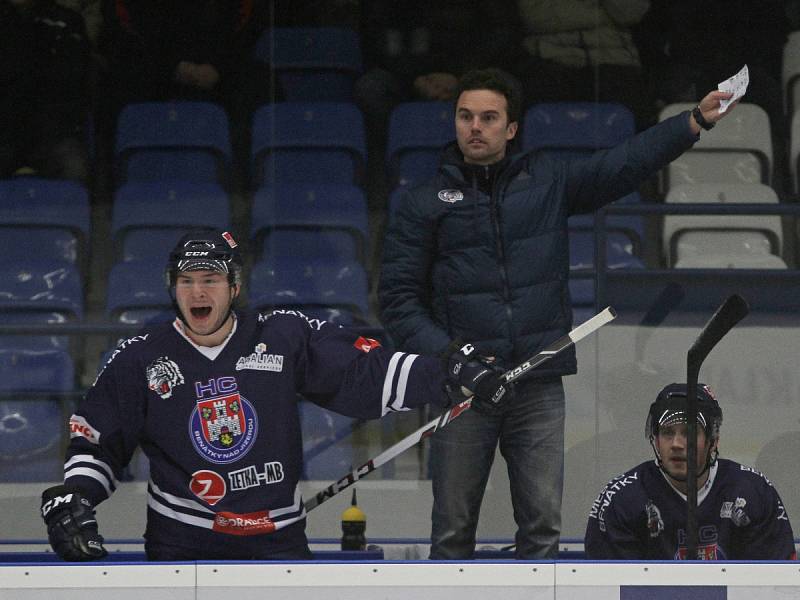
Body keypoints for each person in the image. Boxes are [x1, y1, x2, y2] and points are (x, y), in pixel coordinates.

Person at [378, 67, 739, 559]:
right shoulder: (422, 203)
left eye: (488, 117)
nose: (475, 127)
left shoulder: (546, 180)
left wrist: (692, 122)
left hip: (537, 383)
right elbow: (397, 299)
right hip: (462, 387)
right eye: (465, 117)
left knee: (543, 533)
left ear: (511, 129)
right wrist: (454, 359)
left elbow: (622, 164)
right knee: (451, 534)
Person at [39, 229, 513, 561]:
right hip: (181, 544)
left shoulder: (282, 335)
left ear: (234, 287)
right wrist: (74, 499)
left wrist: (450, 373)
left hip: (276, 542)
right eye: (187, 281)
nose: (197, 291)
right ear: (173, 288)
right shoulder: (141, 357)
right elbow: (97, 443)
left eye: (210, 280)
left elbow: (363, 375)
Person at [585, 383, 796, 560]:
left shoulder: (754, 492)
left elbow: (775, 585)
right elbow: (609, 588)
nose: (676, 444)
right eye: (667, 433)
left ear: (713, 442)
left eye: (689, 433)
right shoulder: (621, 499)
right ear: (656, 440)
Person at [0, 0, 92, 181]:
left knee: (74, 167)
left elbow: (70, 83)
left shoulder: (66, 21)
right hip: (4, 131)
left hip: (53, 134)